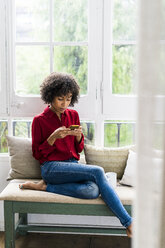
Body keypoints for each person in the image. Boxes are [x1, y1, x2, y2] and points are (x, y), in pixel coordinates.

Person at [19, 72, 132, 238]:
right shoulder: (39, 120)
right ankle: (129, 222)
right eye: (60, 99)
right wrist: (52, 138)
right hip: (51, 168)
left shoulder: (73, 116)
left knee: (92, 190)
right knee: (98, 171)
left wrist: (79, 137)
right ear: (50, 96)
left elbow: (77, 150)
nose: (65, 103)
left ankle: (44, 187)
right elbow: (38, 154)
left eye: (69, 98)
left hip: (72, 165)